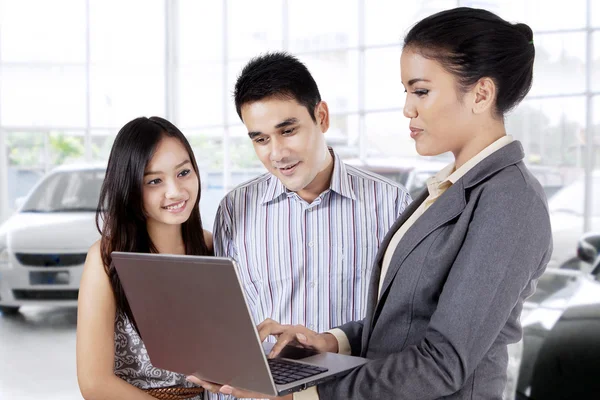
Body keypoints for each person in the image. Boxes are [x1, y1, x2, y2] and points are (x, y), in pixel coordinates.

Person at [191, 7, 552, 400]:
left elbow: (444, 361)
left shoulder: (510, 201)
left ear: (481, 93)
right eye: (407, 92)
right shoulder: (447, 189)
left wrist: (303, 396)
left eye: (421, 91)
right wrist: (330, 341)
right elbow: (403, 321)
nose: (408, 108)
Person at [77, 116, 213, 400]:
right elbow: (94, 382)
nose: (175, 191)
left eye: (183, 173)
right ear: (130, 188)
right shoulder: (105, 259)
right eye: (154, 181)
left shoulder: (212, 246)